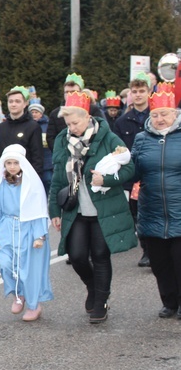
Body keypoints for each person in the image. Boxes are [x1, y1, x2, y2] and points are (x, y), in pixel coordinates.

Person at [49, 92, 137, 323]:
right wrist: (54, 212)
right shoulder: (62, 139)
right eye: (68, 124)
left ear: (87, 117)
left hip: (103, 209)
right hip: (75, 209)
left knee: (99, 255)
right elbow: (58, 178)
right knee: (76, 256)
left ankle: (101, 302)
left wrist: (106, 180)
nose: (72, 128)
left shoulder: (108, 137)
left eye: (75, 122)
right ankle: (93, 287)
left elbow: (129, 168)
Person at [0, 145, 52, 321]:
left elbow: (38, 209)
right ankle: (17, 294)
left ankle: (33, 305)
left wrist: (39, 235)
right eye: (8, 163)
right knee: (4, 264)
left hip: (28, 230)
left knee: (29, 270)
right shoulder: (1, 185)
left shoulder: (31, 184)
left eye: (15, 162)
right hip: (6, 229)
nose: (12, 166)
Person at [131, 86, 181, 319]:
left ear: (175, 114)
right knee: (160, 263)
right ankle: (169, 302)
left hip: (179, 209)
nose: (160, 119)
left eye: (165, 114)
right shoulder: (141, 139)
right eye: (155, 115)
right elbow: (133, 171)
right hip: (151, 210)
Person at [112, 72, 153, 267]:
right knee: (136, 214)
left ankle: (151, 250)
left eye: (142, 91)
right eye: (134, 91)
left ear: (149, 92)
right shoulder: (122, 121)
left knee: (153, 211)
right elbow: (118, 148)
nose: (138, 95)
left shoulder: (156, 116)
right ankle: (146, 248)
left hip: (152, 172)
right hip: (132, 175)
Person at [0, 86, 44, 182]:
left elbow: (37, 157)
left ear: (25, 104)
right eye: (11, 101)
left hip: (26, 180)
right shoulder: (0, 128)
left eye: (17, 101)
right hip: (2, 179)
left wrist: (35, 180)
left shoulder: (33, 127)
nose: (13, 104)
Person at [29, 99, 52, 195]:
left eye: (36, 112)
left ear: (41, 114)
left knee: (47, 181)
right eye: (32, 112)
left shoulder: (47, 125)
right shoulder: (28, 125)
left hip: (46, 159)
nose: (34, 114)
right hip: (32, 160)